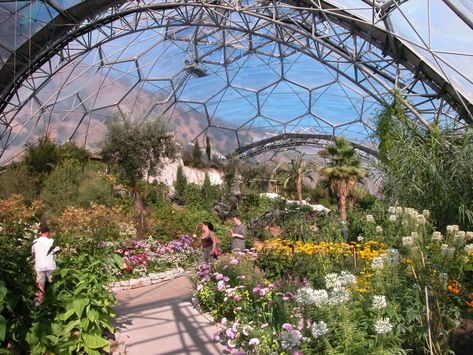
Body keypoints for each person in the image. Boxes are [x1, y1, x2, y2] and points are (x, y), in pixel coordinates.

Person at [31, 222, 60, 305]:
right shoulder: (51, 241)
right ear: (47, 232)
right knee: (54, 284)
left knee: (41, 285)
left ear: (40, 232)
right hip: (50, 266)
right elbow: (57, 251)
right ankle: (55, 303)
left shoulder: (35, 242)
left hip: (39, 266)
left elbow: (33, 254)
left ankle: (39, 304)